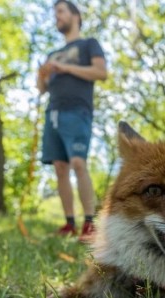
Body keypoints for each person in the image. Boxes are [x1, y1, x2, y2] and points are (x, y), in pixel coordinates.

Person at [37, 0, 107, 242]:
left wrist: (65, 68)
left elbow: (101, 73)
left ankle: (90, 223)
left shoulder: (89, 44)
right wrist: (42, 75)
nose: (56, 16)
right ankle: (69, 223)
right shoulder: (52, 54)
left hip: (77, 111)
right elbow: (41, 89)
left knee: (78, 163)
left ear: (75, 15)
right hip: (52, 112)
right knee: (60, 168)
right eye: (55, 12)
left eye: (60, 11)